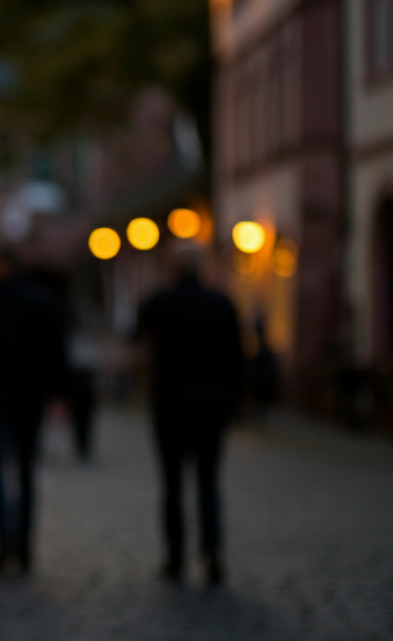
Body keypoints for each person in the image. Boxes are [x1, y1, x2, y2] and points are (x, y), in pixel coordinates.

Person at [134, 247, 244, 585]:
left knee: (172, 484)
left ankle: (175, 557)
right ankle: (211, 552)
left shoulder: (160, 301)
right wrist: (234, 402)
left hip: (170, 404)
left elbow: (136, 334)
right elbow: (237, 357)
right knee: (209, 482)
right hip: (211, 405)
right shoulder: (221, 303)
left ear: (172, 268)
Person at [0, 250, 67, 575]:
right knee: (25, 472)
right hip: (30, 398)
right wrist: (55, 393)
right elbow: (56, 351)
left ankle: (2, 543)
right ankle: (24, 547)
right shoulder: (41, 301)